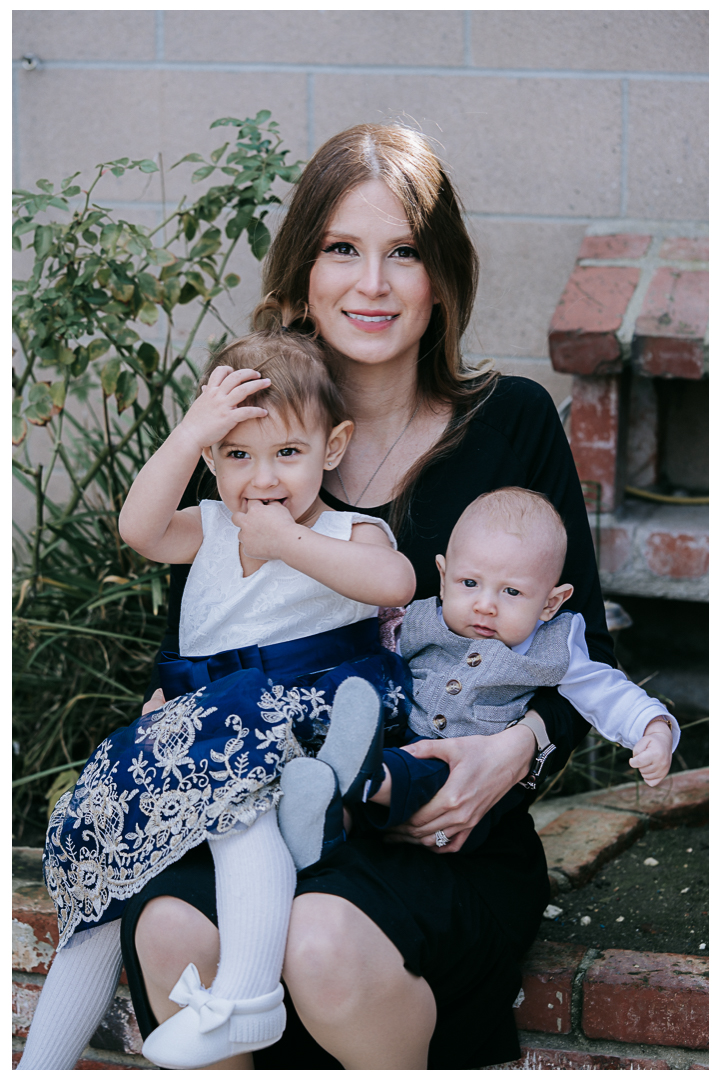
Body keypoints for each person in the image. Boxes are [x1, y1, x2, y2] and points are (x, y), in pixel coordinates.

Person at [28, 123, 620, 1071]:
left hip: (425, 823)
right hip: (254, 804)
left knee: (322, 941)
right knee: (173, 926)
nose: (372, 285)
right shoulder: (262, 424)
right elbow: (213, 609)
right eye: (343, 249)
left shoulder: (510, 425)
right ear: (304, 268)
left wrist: (516, 752)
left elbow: (582, 647)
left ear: (443, 277)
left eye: (404, 255)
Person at [18, 321, 417, 1071]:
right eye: (236, 455)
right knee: (103, 869)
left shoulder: (344, 530)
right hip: (197, 726)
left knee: (236, 799)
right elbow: (137, 529)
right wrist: (189, 432)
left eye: (287, 454)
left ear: (332, 448)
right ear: (211, 457)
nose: (261, 480)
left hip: (294, 711)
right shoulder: (206, 527)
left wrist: (284, 542)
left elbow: (394, 585)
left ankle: (245, 999)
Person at [338, 487, 677, 852]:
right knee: (354, 778)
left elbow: (606, 690)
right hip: (400, 744)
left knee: (416, 774)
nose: (485, 605)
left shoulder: (552, 646)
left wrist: (654, 728)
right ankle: (331, 815)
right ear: (443, 576)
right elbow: (372, 658)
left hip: (466, 781)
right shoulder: (416, 621)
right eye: (469, 584)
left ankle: (359, 775)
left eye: (511, 592)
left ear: (550, 603)